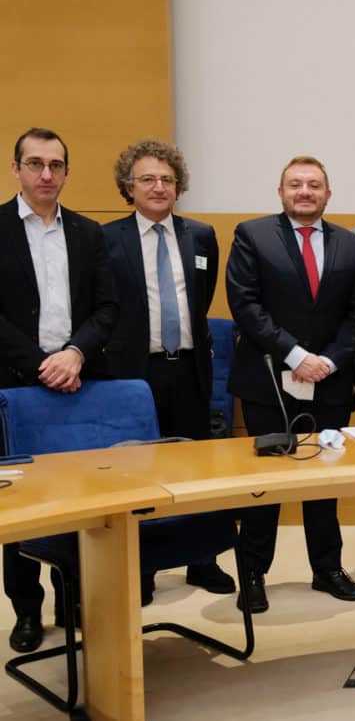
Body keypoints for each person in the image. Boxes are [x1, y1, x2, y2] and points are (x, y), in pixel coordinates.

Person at [226, 155, 355, 613]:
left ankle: (327, 569)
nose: (305, 191)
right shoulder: (252, 236)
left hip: (329, 382)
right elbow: (246, 305)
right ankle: (253, 573)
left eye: (314, 185)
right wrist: (295, 355)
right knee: (264, 483)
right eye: (296, 184)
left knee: (323, 479)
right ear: (281, 192)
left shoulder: (351, 245)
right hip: (269, 379)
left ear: (328, 194)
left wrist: (327, 362)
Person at [102, 138, 236, 605]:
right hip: (134, 375)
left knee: (195, 466)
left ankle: (202, 560)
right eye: (148, 179)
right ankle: (141, 568)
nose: (159, 187)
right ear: (128, 186)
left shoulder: (200, 236)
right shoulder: (107, 239)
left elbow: (200, 300)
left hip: (191, 371)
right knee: (139, 471)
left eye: (168, 179)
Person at [1, 127, 118, 652]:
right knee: (20, 503)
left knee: (79, 499)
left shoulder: (90, 234)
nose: (45, 174)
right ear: (16, 169)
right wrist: (39, 363)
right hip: (13, 386)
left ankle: (72, 597)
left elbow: (107, 308)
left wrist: (74, 354)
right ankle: (27, 610)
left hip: (78, 381)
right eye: (34, 164)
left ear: (67, 173)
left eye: (55, 165)